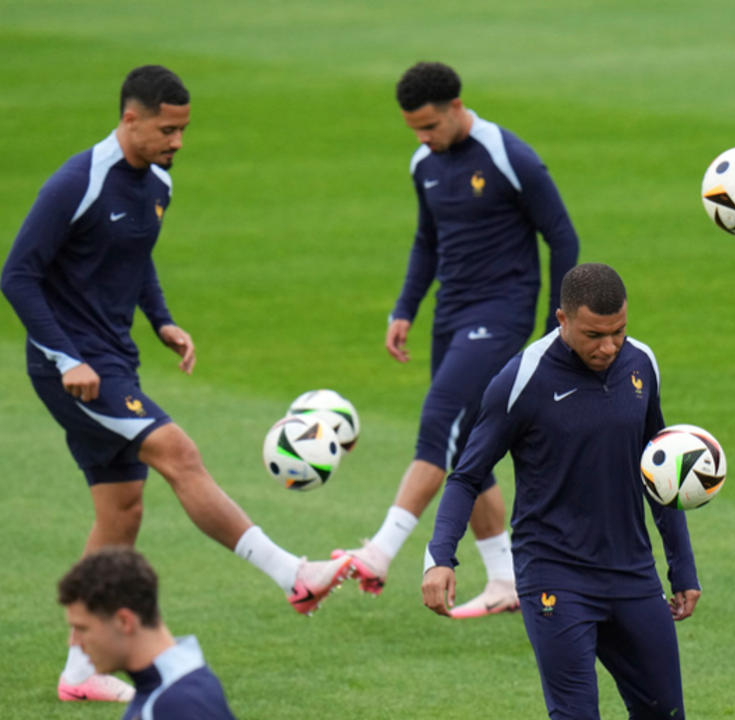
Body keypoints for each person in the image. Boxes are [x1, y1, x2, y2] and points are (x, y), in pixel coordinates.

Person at [2, 65, 354, 702]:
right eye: (167, 129)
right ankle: (294, 574)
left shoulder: (157, 182)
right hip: (76, 372)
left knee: (121, 514)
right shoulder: (77, 181)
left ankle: (80, 672)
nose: (178, 141)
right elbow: (17, 274)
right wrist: (64, 358)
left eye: (184, 129)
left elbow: (135, 257)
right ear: (130, 118)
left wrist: (162, 320)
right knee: (178, 453)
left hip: (115, 358)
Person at [333, 61, 579, 617]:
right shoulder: (425, 163)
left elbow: (562, 236)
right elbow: (427, 241)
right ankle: (506, 579)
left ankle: (379, 550)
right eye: (414, 129)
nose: (423, 139)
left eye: (429, 126)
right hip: (452, 315)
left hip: (503, 313)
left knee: (439, 419)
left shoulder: (509, 157)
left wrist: (552, 329)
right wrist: (405, 308)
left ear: (455, 108)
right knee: (472, 444)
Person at [422, 263, 700, 718]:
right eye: (594, 334)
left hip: (631, 572)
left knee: (665, 713)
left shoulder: (641, 364)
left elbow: (660, 473)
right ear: (562, 319)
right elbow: (466, 476)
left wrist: (683, 568)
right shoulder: (521, 380)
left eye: (619, 332)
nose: (609, 347)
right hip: (556, 575)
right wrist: (439, 558)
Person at [58, 547, 238, 719]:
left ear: (124, 622)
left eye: (82, 629)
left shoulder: (176, 704)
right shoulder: (172, 682)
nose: (74, 642)